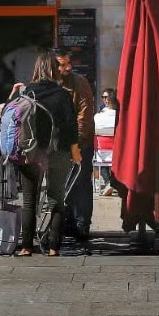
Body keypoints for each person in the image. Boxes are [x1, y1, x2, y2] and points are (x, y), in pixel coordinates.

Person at [16, 52, 80, 257]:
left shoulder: (26, 93)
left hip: (31, 152)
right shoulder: (62, 95)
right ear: (54, 69)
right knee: (56, 199)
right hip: (58, 151)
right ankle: (53, 247)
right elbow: (71, 127)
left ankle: (26, 246)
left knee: (28, 200)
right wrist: (75, 150)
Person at [53, 48, 95, 241]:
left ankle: (82, 223)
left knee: (81, 182)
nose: (67, 67)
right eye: (63, 64)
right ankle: (67, 221)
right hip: (58, 143)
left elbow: (84, 116)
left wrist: (75, 143)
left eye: (69, 63)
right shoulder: (49, 83)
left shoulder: (80, 83)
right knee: (62, 182)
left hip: (80, 141)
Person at [94, 88, 118, 196]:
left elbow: (94, 130)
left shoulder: (98, 116)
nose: (105, 99)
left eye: (107, 97)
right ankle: (111, 183)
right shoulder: (119, 116)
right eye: (103, 97)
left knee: (99, 160)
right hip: (116, 151)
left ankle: (108, 182)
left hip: (101, 152)